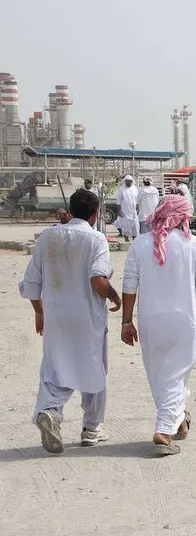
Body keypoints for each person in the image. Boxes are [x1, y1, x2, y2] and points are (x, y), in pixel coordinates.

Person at [19, 189, 121, 454]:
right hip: (88, 316)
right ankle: (91, 428)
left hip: (56, 315)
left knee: (54, 368)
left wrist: (39, 312)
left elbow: (31, 283)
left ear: (70, 210)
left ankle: (50, 412)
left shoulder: (48, 237)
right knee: (94, 369)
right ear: (95, 213)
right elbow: (98, 280)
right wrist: (114, 295)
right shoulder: (96, 239)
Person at [120, 195, 196, 456]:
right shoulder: (190, 243)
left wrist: (126, 321)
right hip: (183, 320)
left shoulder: (140, 243)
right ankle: (164, 429)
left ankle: (180, 421)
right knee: (177, 373)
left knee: (162, 374)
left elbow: (129, 286)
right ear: (183, 216)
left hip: (151, 322)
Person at [115, 175, 140, 242]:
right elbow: (118, 201)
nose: (127, 182)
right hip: (125, 211)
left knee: (135, 226)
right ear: (125, 181)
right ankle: (126, 240)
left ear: (131, 181)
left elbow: (137, 200)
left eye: (129, 181)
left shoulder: (134, 189)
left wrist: (137, 208)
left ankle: (135, 240)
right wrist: (119, 211)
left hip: (134, 211)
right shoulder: (122, 189)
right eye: (126, 181)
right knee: (126, 226)